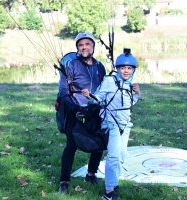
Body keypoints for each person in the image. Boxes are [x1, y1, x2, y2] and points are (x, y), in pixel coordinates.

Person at [82, 50, 141, 200]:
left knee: (121, 155)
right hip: (112, 123)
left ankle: (113, 183)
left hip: (125, 124)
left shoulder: (130, 84)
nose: (126, 71)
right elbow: (99, 98)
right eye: (123, 68)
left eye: (129, 68)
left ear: (133, 70)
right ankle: (108, 192)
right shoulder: (109, 81)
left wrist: (137, 94)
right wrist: (90, 96)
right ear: (118, 69)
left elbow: (128, 103)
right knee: (113, 156)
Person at [58, 32, 106, 193]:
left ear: (93, 46)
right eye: (81, 45)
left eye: (87, 44)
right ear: (77, 48)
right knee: (71, 145)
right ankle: (64, 181)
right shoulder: (71, 65)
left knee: (99, 143)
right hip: (75, 110)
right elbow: (64, 91)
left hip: (94, 109)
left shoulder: (100, 66)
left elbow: (104, 89)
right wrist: (76, 108)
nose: (84, 47)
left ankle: (91, 174)